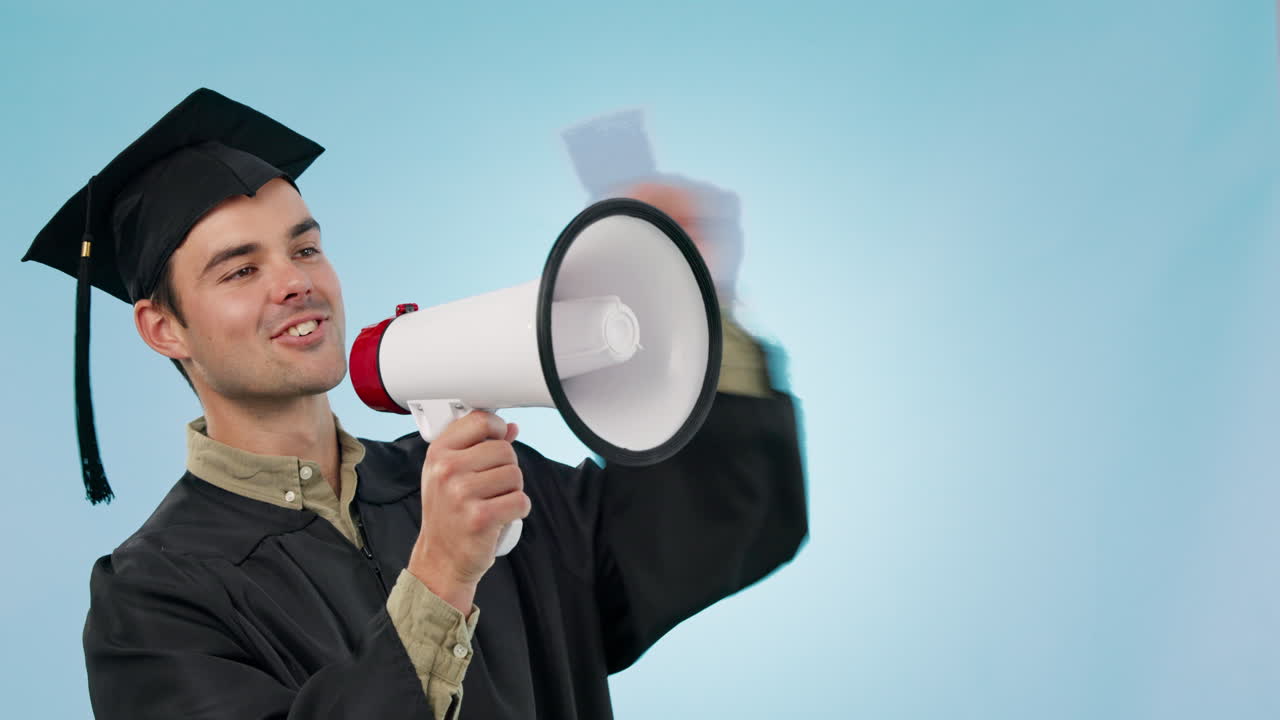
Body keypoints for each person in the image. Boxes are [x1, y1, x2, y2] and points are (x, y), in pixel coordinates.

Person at [22, 88, 807, 719]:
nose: (296, 281)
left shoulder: (477, 484)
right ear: (163, 328)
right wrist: (438, 579)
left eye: (304, 247)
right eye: (240, 270)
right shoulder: (152, 599)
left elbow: (715, 528)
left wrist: (703, 302)